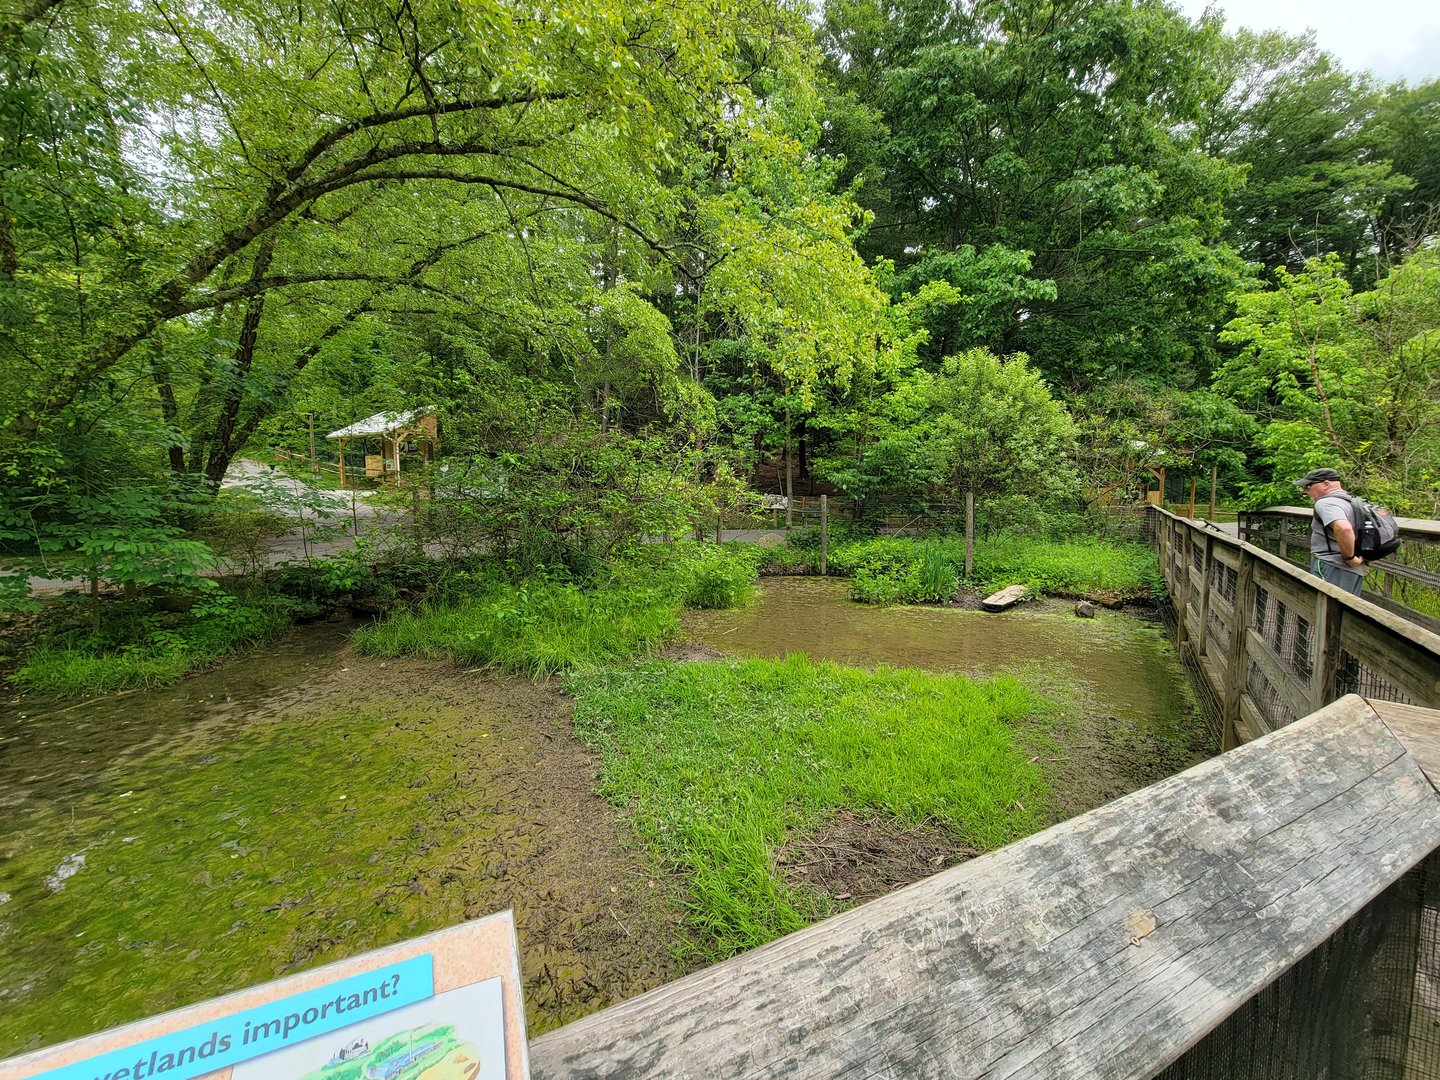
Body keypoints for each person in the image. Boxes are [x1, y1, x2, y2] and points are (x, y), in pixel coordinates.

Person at [1295, 467, 1366, 596]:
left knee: (1324, 610)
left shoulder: (1326, 503)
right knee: (1346, 610)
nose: (1305, 491)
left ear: (1326, 484)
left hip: (1332, 565)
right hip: (1355, 570)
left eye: (1309, 486)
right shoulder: (1352, 502)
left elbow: (1343, 528)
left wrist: (1349, 558)